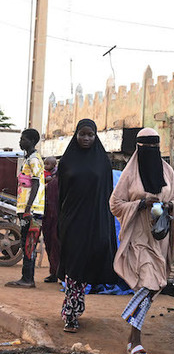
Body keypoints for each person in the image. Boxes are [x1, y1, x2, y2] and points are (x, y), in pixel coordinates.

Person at [110, 128, 174, 354]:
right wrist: (140, 204)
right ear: (139, 148)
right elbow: (115, 204)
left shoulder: (167, 171)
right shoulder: (130, 174)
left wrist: (168, 206)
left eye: (155, 147)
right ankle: (136, 339)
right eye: (147, 147)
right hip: (137, 238)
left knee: (155, 285)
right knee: (148, 283)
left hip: (159, 238)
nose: (151, 152)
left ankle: (132, 332)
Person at [56, 119, 118, 333]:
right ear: (76, 135)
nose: (86, 138)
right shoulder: (66, 162)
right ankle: (70, 314)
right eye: (82, 134)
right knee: (74, 266)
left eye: (90, 134)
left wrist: (107, 223)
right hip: (73, 222)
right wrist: (60, 223)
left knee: (89, 263)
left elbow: (108, 195)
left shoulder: (102, 162)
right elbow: (61, 196)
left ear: (95, 136)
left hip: (96, 221)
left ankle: (76, 305)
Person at [5, 129, 45, 288]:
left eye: (23, 139)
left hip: (32, 211)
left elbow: (35, 184)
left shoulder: (34, 160)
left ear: (31, 141)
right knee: (26, 243)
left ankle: (27, 279)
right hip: (29, 210)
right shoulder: (29, 158)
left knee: (28, 243)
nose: (20, 141)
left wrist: (28, 209)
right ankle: (27, 277)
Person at [42, 156, 60, 283]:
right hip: (48, 217)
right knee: (50, 244)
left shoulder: (58, 181)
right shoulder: (49, 180)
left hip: (59, 218)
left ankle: (59, 273)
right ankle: (54, 272)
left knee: (57, 245)